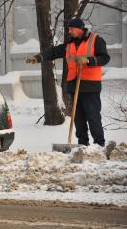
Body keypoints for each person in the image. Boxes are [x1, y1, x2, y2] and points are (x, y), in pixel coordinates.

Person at [26, 18, 110, 147]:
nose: (69, 31)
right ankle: (82, 145)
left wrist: (88, 60)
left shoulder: (95, 40)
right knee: (78, 119)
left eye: (71, 29)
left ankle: (99, 144)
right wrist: (38, 58)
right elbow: (53, 52)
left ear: (80, 28)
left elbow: (105, 58)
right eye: (69, 29)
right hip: (73, 85)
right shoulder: (69, 45)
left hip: (90, 86)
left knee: (93, 116)